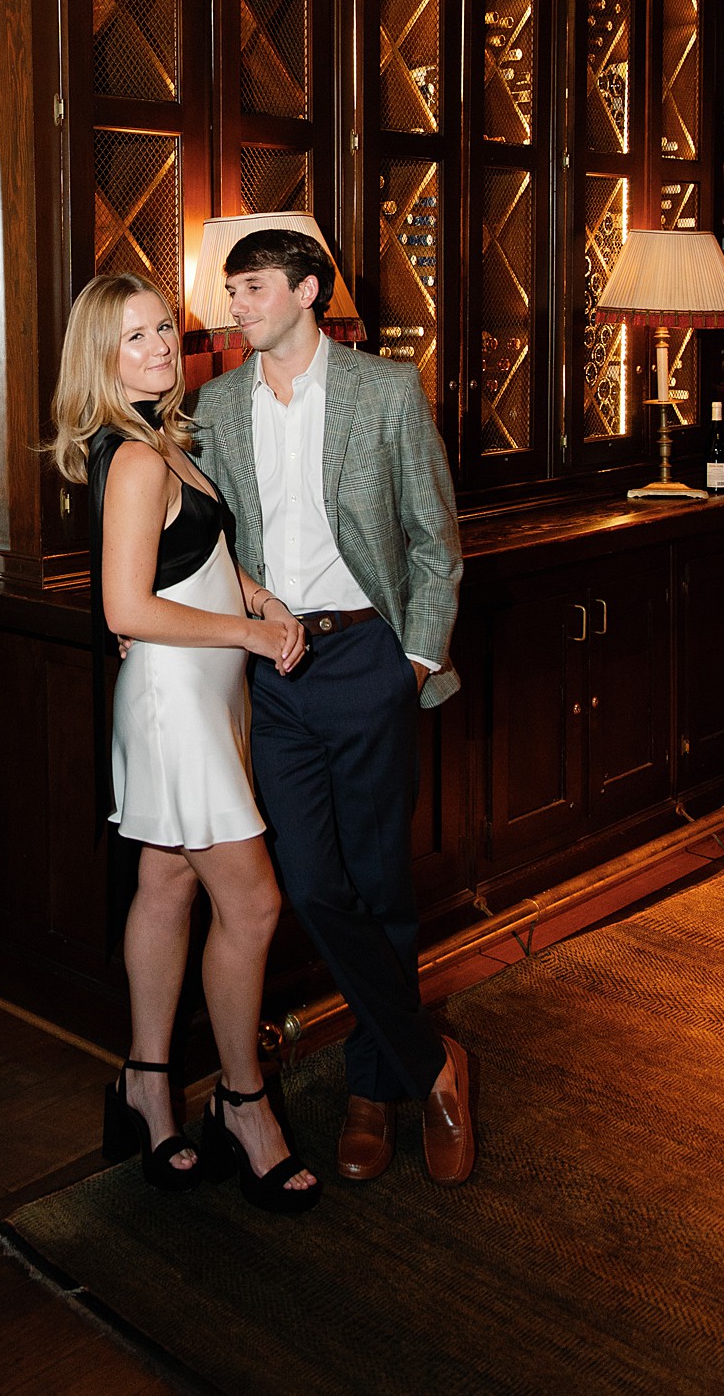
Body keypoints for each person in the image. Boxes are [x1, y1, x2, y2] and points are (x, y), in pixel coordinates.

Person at [191, 227, 473, 1185]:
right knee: (312, 886)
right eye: (232, 290)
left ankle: (372, 1088)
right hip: (273, 669)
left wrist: (415, 656)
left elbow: (435, 538)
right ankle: (432, 1064)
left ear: (309, 290)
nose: (238, 305)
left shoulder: (384, 391)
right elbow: (215, 547)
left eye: (256, 287)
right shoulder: (214, 405)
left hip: (366, 656)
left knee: (381, 882)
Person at [50, 272, 320, 1212]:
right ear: (100, 357)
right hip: (175, 703)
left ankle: (147, 1085)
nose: (163, 346)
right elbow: (126, 606)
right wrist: (247, 633)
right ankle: (243, 1105)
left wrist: (254, 597)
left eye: (165, 327)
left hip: (205, 698)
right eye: (136, 337)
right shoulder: (133, 456)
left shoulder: (160, 437)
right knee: (251, 908)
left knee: (165, 883)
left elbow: (190, 561)